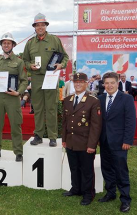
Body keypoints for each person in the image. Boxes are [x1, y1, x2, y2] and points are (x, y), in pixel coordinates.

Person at [23, 13, 69, 146]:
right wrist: (29, 66)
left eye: (42, 25)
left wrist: (61, 65)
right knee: (37, 108)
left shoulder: (54, 40)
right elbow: (25, 60)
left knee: (51, 108)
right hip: (36, 78)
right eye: (37, 25)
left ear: (46, 26)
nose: (40, 27)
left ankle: (52, 136)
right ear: (34, 27)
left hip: (51, 77)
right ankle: (38, 135)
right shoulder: (30, 43)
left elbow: (65, 57)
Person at [61, 72, 102, 206]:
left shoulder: (93, 101)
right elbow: (65, 122)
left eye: (81, 82)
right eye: (76, 82)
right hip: (71, 141)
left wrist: (92, 145)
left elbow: (96, 126)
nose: (78, 84)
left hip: (85, 143)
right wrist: (64, 139)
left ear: (86, 83)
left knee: (86, 170)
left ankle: (88, 193)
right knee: (74, 167)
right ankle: (76, 188)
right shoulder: (67, 100)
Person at [98, 72, 136, 213]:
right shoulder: (100, 98)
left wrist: (127, 140)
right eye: (106, 83)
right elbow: (99, 122)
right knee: (106, 169)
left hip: (120, 143)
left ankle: (125, 199)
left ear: (117, 82)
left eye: (112, 82)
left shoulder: (127, 98)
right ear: (104, 84)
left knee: (121, 171)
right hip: (104, 141)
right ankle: (110, 193)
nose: (109, 85)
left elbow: (130, 122)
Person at [0, 32, 27, 162]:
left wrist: (19, 93)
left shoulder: (19, 61)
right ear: (1, 45)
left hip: (12, 97)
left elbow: (24, 80)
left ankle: (18, 152)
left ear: (13, 45)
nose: (6, 45)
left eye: (8, 43)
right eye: (4, 43)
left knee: (15, 125)